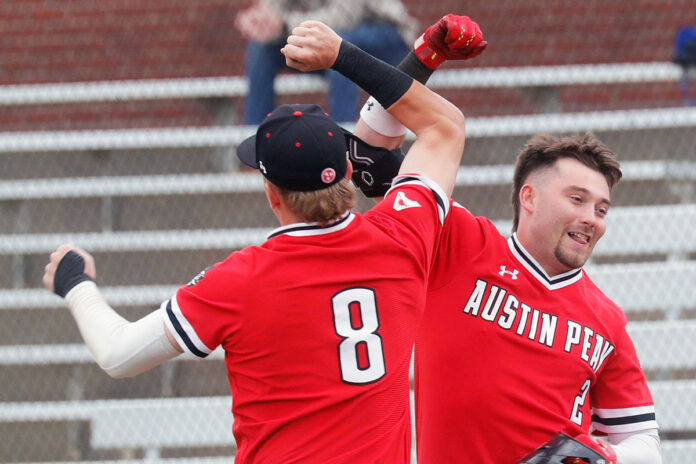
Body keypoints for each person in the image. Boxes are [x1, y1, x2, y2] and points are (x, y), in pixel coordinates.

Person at [42, 19, 486, 464]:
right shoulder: (403, 237)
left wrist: (75, 281)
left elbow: (118, 355)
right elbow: (444, 125)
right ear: (349, 174)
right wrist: (359, 56)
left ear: (272, 194)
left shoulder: (241, 279)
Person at [347, 14, 663, 464]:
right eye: (577, 198)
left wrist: (607, 459)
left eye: (601, 208)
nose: (591, 217)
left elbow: (644, 440)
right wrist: (424, 58)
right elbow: (369, 157)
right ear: (528, 198)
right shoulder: (458, 243)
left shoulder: (606, 320)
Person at [235, 0, 418, 123]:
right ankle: (258, 142)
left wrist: (283, 24)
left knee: (340, 48)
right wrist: (259, 21)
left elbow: (344, 16)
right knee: (261, 47)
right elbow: (272, 10)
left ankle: (342, 147)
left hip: (386, 35)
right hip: (330, 37)